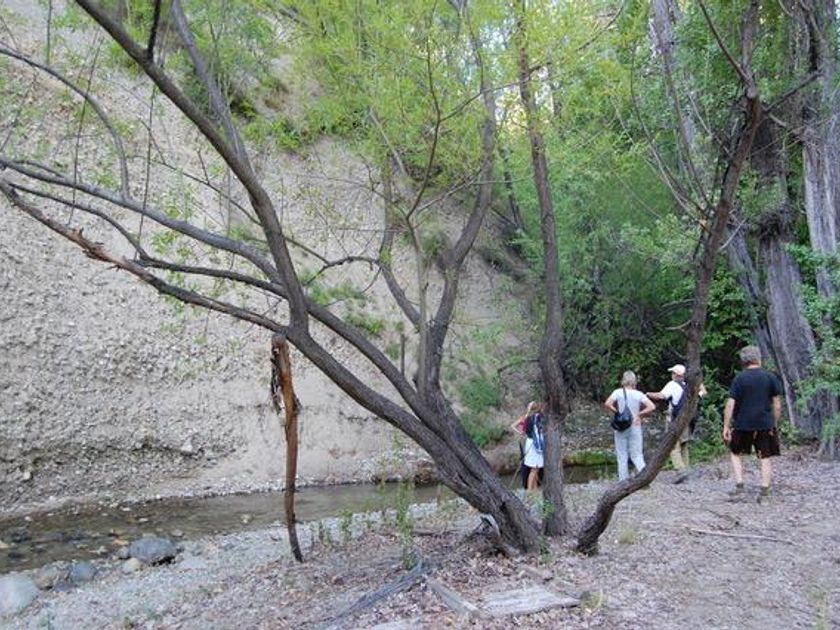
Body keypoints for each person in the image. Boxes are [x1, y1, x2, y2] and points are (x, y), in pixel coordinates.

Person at [722, 345, 782, 501]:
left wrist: (726, 426)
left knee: (735, 453)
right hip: (764, 423)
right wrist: (774, 423)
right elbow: (777, 404)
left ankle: (740, 486)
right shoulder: (770, 377)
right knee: (765, 456)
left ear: (743, 361)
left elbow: (730, 404)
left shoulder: (739, 378)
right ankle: (764, 492)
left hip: (742, 423)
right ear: (758, 358)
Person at [605, 371, 655, 481]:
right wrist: (639, 415)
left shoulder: (617, 392)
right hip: (635, 425)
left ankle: (623, 481)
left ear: (623, 380)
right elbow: (651, 406)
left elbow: (607, 403)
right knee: (637, 455)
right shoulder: (639, 394)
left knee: (622, 455)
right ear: (634, 381)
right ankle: (644, 479)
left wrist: (617, 412)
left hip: (621, 426)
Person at [647, 364, 692, 473]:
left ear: (676, 375)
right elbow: (702, 393)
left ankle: (680, 469)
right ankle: (687, 468)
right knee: (684, 444)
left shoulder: (672, 385)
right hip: (686, 418)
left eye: (673, 373)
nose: (672, 375)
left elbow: (661, 396)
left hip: (674, 418)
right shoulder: (688, 386)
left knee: (672, 444)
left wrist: (648, 394)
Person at [510, 401, 545, 491]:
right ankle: (529, 490)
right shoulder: (537, 418)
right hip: (535, 444)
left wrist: (521, 432)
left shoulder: (526, 417)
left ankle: (535, 488)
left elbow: (513, 426)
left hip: (530, 442)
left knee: (536, 467)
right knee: (534, 468)